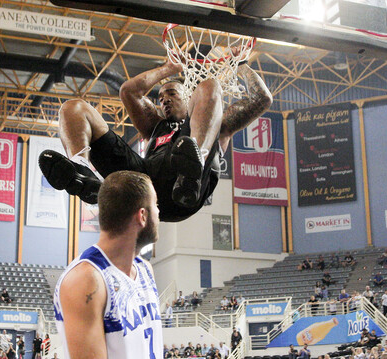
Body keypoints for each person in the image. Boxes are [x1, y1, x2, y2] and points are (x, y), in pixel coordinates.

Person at [39, 54, 272, 222]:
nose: (164, 100)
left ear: (190, 97)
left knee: (210, 85)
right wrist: (169, 68)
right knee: (74, 108)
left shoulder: (216, 123)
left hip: (186, 193)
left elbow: (263, 99)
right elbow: (128, 91)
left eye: (171, 93)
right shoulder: (156, 126)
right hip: (145, 184)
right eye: (160, 97)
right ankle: (82, 172)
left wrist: (240, 64)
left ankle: (193, 166)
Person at [53, 171, 162, 359]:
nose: (159, 212)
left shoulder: (145, 270)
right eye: (156, 205)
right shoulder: (86, 280)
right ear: (142, 216)